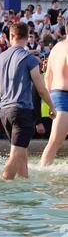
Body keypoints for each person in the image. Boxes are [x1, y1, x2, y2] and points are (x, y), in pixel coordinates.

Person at [0, 22, 56, 181]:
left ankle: (23, 188)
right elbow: (41, 88)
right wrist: (52, 106)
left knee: (22, 154)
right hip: (21, 111)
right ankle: (2, 189)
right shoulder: (29, 59)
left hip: (4, 111)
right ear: (27, 37)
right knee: (16, 155)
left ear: (11, 36)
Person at [41, 20, 68, 166]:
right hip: (63, 96)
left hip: (56, 95)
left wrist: (49, 103)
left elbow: (47, 77)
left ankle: (43, 171)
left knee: (54, 142)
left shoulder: (56, 47)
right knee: (55, 141)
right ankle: (42, 171)